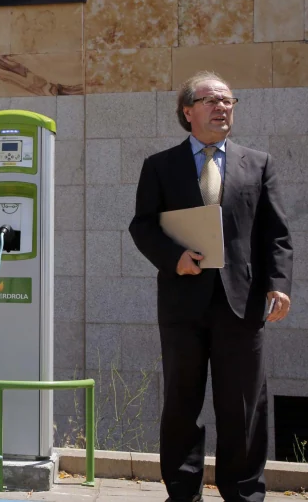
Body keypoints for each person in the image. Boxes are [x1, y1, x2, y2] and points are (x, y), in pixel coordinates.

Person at [129, 71, 293, 502]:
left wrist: (278, 284)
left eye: (228, 100)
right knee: (182, 403)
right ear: (188, 111)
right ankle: (183, 492)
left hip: (244, 302)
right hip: (183, 303)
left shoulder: (258, 164)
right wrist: (173, 257)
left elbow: (275, 233)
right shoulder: (160, 166)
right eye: (211, 100)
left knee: (242, 406)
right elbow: (142, 226)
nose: (223, 107)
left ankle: (243, 493)